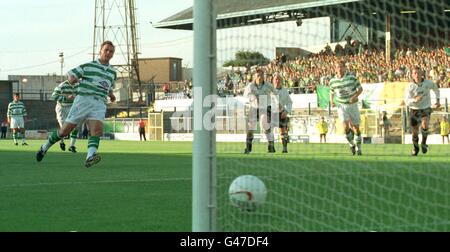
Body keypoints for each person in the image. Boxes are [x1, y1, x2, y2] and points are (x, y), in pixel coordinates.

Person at [36, 40, 117, 167]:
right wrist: (72, 79)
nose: (108, 53)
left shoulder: (113, 72)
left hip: (100, 103)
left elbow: (109, 86)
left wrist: (111, 95)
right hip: (84, 100)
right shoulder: (89, 66)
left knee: (97, 130)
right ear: (100, 51)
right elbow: (72, 74)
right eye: (106, 50)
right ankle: (44, 147)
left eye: (111, 51)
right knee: (64, 132)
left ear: (113, 54)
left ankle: (90, 156)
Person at [404, 66, 440, 156]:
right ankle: (415, 148)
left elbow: (436, 89)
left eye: (418, 73)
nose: (417, 75)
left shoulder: (428, 83)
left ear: (422, 74)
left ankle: (424, 143)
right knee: (415, 132)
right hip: (414, 110)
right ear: (412, 75)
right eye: (415, 73)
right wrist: (414, 100)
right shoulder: (410, 86)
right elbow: (406, 100)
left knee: (425, 125)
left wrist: (438, 100)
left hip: (425, 108)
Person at [329, 61, 363, 155]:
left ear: (344, 68)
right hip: (341, 105)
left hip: (352, 105)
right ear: (335, 69)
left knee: (356, 128)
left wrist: (355, 96)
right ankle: (351, 144)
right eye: (337, 67)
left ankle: (358, 148)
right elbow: (331, 92)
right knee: (345, 127)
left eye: (341, 67)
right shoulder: (332, 81)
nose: (339, 69)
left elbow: (360, 89)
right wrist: (331, 102)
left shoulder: (352, 78)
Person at [244, 68, 276, 154]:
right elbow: (246, 95)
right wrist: (253, 96)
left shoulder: (268, 85)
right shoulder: (250, 86)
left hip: (265, 107)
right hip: (254, 108)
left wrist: (277, 102)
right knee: (250, 127)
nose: (260, 77)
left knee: (264, 124)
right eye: (258, 75)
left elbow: (275, 93)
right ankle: (248, 148)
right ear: (254, 76)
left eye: (261, 75)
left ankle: (271, 145)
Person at [51, 80, 79, 153]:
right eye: (73, 76)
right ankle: (62, 141)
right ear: (69, 77)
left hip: (72, 107)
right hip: (62, 107)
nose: (75, 78)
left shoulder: (78, 86)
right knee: (64, 128)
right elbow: (54, 96)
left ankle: (72, 146)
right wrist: (66, 98)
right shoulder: (62, 85)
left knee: (75, 126)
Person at [272, 73, 292, 153]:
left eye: (279, 79)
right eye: (276, 79)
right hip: (272, 113)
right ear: (273, 81)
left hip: (281, 113)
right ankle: (271, 147)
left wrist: (286, 111)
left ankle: (284, 148)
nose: (277, 81)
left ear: (282, 81)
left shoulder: (285, 91)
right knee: (269, 130)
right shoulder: (270, 90)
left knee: (283, 131)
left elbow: (289, 102)